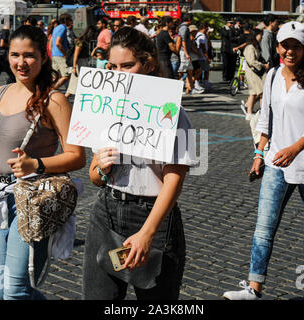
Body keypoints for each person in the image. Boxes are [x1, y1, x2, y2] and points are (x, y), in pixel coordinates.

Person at [0, 25, 86, 300]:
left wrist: (36, 164)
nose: (21, 62)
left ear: (43, 57)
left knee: (15, 290)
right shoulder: (0, 93)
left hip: (31, 201)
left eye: (29, 55)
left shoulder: (55, 100)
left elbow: (77, 156)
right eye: (15, 55)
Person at [223, 21, 304, 300]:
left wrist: (294, 149)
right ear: (277, 47)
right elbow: (265, 119)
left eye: (295, 46)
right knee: (264, 227)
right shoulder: (273, 75)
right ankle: (254, 288)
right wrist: (259, 154)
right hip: (277, 161)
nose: (290, 51)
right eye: (285, 45)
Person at [82, 26, 196, 300]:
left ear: (148, 63)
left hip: (152, 216)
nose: (119, 74)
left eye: (128, 66)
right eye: (114, 66)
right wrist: (99, 166)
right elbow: (95, 178)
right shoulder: (105, 108)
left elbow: (175, 179)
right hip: (106, 211)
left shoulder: (173, 112)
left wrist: (147, 233)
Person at [241, 28, 269, 121]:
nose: (261, 37)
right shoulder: (250, 47)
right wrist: (263, 65)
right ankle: (262, 112)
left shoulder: (255, 46)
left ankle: (249, 112)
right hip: (252, 72)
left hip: (254, 72)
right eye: (260, 35)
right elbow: (251, 61)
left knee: (253, 92)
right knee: (261, 92)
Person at [65, 26, 97, 98]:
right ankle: (62, 102)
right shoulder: (80, 42)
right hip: (79, 64)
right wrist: (74, 67)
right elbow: (76, 55)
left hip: (82, 64)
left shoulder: (84, 42)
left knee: (78, 86)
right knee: (73, 87)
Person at [177, 13, 200, 94]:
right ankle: (178, 88)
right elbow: (183, 41)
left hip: (186, 52)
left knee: (190, 70)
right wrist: (186, 53)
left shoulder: (184, 27)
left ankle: (191, 88)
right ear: (189, 19)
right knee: (181, 71)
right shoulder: (184, 28)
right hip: (184, 52)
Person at [51, 13, 73, 90]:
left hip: (54, 54)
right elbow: (58, 43)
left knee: (55, 77)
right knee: (66, 76)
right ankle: (52, 89)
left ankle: (48, 91)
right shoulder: (63, 28)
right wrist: (65, 54)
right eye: (70, 20)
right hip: (60, 55)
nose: (71, 22)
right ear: (65, 20)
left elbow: (52, 42)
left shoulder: (56, 28)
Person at [195, 22, 212, 90]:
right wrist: (207, 57)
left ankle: (198, 84)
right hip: (202, 56)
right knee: (205, 70)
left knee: (199, 71)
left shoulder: (197, 34)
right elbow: (203, 47)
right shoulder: (202, 36)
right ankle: (204, 84)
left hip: (198, 56)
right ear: (205, 27)